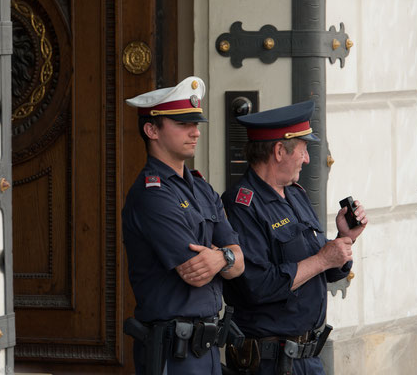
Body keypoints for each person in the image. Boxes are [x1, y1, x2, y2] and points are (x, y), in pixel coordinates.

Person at [221, 100, 368, 375]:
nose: (308, 158)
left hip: (308, 358)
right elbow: (257, 285)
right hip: (269, 362)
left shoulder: (295, 194)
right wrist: (323, 259)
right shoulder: (242, 205)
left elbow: (321, 271)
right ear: (279, 151)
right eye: (303, 149)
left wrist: (344, 239)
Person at [122, 76, 244, 375]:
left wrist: (220, 257)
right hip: (173, 352)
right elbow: (195, 274)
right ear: (152, 129)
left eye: (196, 123)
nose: (195, 132)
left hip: (208, 348)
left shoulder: (201, 188)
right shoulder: (152, 195)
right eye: (182, 124)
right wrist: (224, 256)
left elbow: (239, 262)